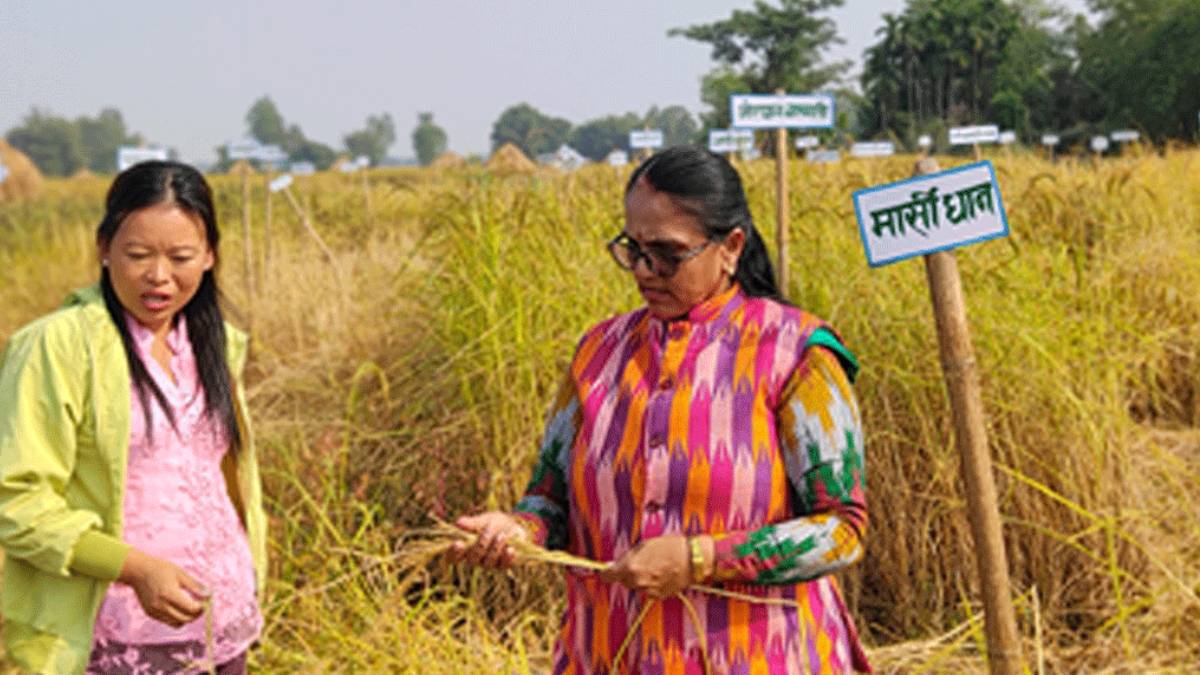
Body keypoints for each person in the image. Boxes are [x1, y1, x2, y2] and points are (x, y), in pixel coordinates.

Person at [453, 146, 871, 674]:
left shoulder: (794, 352)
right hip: (608, 654)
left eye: (668, 254)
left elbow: (842, 530)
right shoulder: (597, 354)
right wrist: (516, 530)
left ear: (730, 248)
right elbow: (548, 502)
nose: (645, 271)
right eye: (634, 248)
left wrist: (701, 559)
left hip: (761, 658)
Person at [0, 161, 267, 675]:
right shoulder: (55, 347)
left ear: (210, 255)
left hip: (222, 626)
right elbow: (17, 499)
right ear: (104, 248)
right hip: (116, 637)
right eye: (138, 255)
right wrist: (136, 569)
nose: (159, 276)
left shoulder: (213, 345)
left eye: (181, 256)